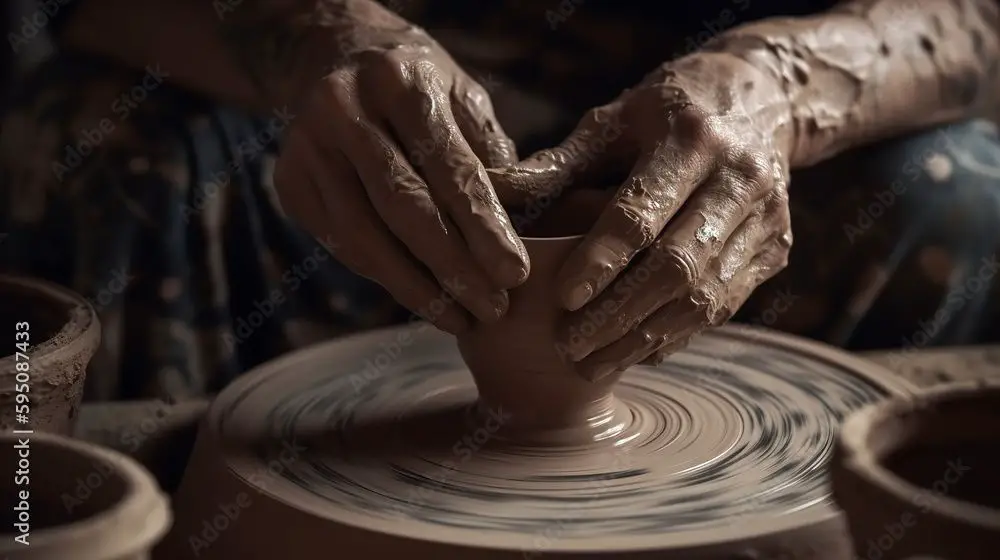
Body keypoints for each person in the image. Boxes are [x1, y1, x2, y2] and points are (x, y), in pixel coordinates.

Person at [2, 0, 999, 400]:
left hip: (735, 176)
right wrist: (310, 35)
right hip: (331, 160)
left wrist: (786, 81)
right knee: (107, 141)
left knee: (956, 195)